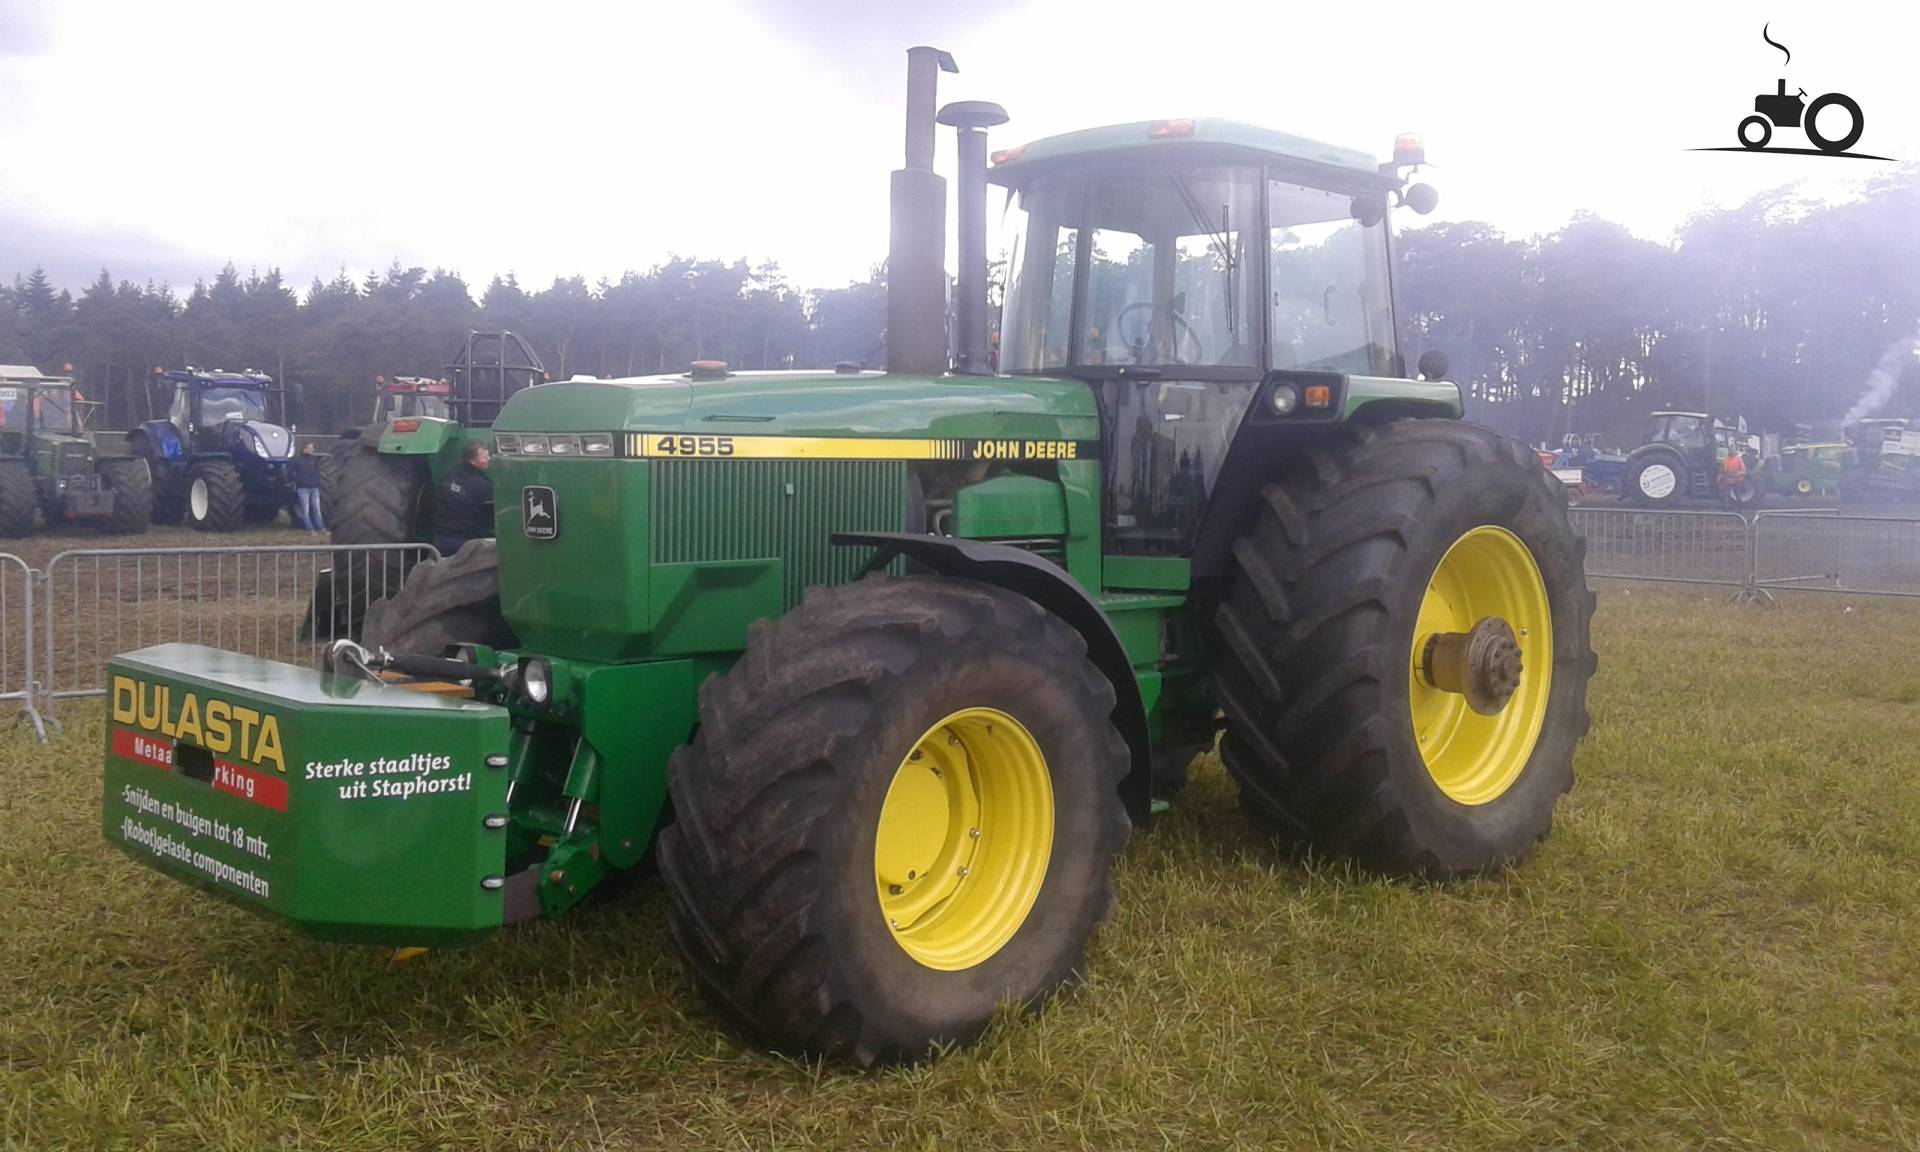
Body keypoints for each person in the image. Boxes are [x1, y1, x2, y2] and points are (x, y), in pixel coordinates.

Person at [434, 440, 493, 556]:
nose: (489, 459)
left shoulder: (449, 474)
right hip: (468, 542)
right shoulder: (482, 485)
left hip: (442, 537)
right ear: (472, 461)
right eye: (485, 457)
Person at [291, 442, 327, 534]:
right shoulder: (297, 460)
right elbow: (290, 472)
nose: (312, 450)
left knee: (317, 509)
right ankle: (310, 530)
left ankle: (320, 528)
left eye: (312, 448)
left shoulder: (314, 460)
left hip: (314, 488)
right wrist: (297, 480)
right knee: (305, 510)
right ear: (304, 449)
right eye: (310, 448)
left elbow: (318, 470)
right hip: (303, 488)